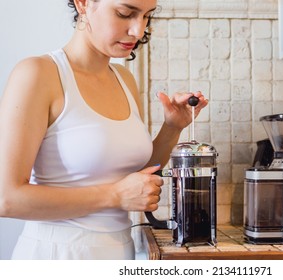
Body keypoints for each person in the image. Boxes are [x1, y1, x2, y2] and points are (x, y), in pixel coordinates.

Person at [0, 0, 207, 260]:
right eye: (125, 13)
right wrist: (115, 196)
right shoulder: (38, 74)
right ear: (83, 3)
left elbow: (132, 178)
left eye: (146, 16)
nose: (138, 30)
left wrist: (172, 127)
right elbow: (6, 198)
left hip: (119, 251)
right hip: (57, 256)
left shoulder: (125, 80)